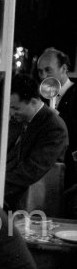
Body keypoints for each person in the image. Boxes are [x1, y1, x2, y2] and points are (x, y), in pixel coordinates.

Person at [0, 74, 68, 210]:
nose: (10, 113)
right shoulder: (18, 120)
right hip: (4, 196)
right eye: (9, 107)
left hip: (32, 204)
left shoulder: (53, 126)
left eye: (15, 108)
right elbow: (3, 156)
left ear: (33, 102)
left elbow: (33, 168)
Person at [37, 47, 77, 191]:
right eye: (40, 71)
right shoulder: (39, 97)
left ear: (64, 68)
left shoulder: (74, 94)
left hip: (69, 172)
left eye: (48, 70)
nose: (43, 76)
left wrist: (57, 118)